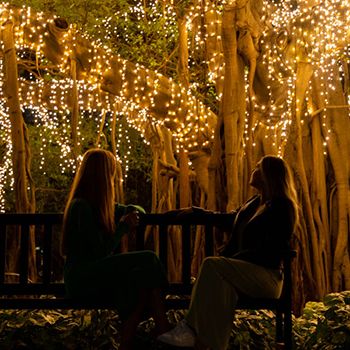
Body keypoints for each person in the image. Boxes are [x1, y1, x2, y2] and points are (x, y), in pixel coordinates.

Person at [157, 155, 299, 350]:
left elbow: (273, 248)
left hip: (267, 277)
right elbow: (228, 219)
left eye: (258, 167)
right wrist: (198, 212)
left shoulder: (283, 206)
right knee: (222, 288)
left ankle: (189, 329)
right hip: (243, 274)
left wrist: (233, 261)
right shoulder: (254, 203)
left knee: (211, 264)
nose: (253, 170)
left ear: (269, 175)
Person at [61, 148, 170, 350]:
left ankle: (131, 343)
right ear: (102, 175)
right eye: (111, 172)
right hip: (81, 278)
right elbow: (99, 253)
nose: (113, 178)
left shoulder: (102, 205)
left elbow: (140, 210)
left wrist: (131, 212)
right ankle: (164, 330)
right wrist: (123, 228)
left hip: (95, 274)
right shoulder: (81, 207)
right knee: (148, 258)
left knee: (142, 280)